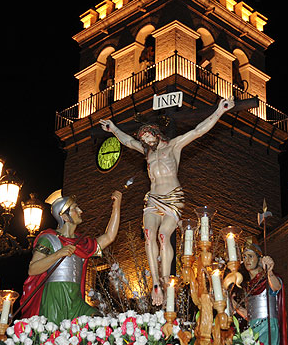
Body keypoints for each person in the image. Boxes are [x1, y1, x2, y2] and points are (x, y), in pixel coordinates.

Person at [99, 97, 234, 305]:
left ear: (155, 133)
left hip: (173, 198)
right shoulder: (147, 154)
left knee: (163, 236)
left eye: (147, 136)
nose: (145, 140)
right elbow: (127, 141)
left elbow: (198, 131)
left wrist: (219, 111)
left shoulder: (174, 146)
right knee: (148, 234)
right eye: (143, 138)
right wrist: (113, 129)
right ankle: (155, 282)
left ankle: (165, 279)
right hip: (153, 198)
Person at [20, 191, 122, 324]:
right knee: (54, 338)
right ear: (65, 217)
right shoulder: (49, 238)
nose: (81, 211)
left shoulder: (81, 243)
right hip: (55, 297)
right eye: (75, 208)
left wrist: (116, 206)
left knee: (99, 323)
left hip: (76, 299)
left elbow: (109, 237)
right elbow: (32, 269)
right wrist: (59, 254)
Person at [233, 239, 288, 345]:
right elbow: (248, 315)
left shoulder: (267, 279)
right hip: (252, 331)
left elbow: (277, 287)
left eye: (250, 256)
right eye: (244, 257)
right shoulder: (248, 286)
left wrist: (270, 272)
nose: (246, 260)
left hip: (268, 328)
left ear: (259, 258)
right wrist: (231, 301)